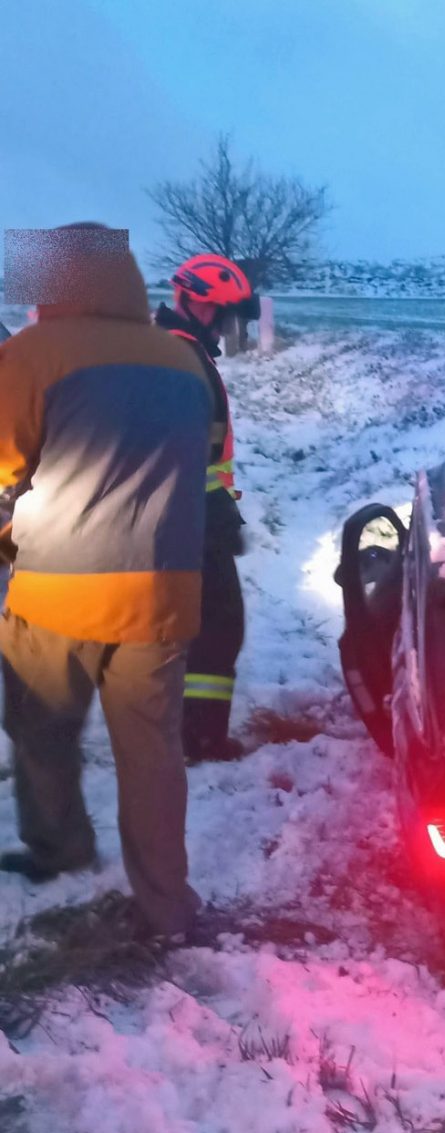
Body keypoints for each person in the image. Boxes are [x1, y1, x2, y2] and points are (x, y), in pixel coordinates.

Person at [0, 227, 211, 936]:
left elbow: (2, 464)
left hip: (60, 586)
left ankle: (60, 847)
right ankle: (167, 905)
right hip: (166, 590)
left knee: (40, 727)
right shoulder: (181, 361)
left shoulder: (30, 354)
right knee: (153, 754)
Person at [154, 255, 257, 762]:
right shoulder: (180, 358)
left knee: (192, 627)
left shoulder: (173, 350)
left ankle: (183, 729)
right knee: (219, 627)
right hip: (187, 518)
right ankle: (200, 737)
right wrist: (215, 513)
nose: (228, 326)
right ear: (197, 304)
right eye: (224, 313)